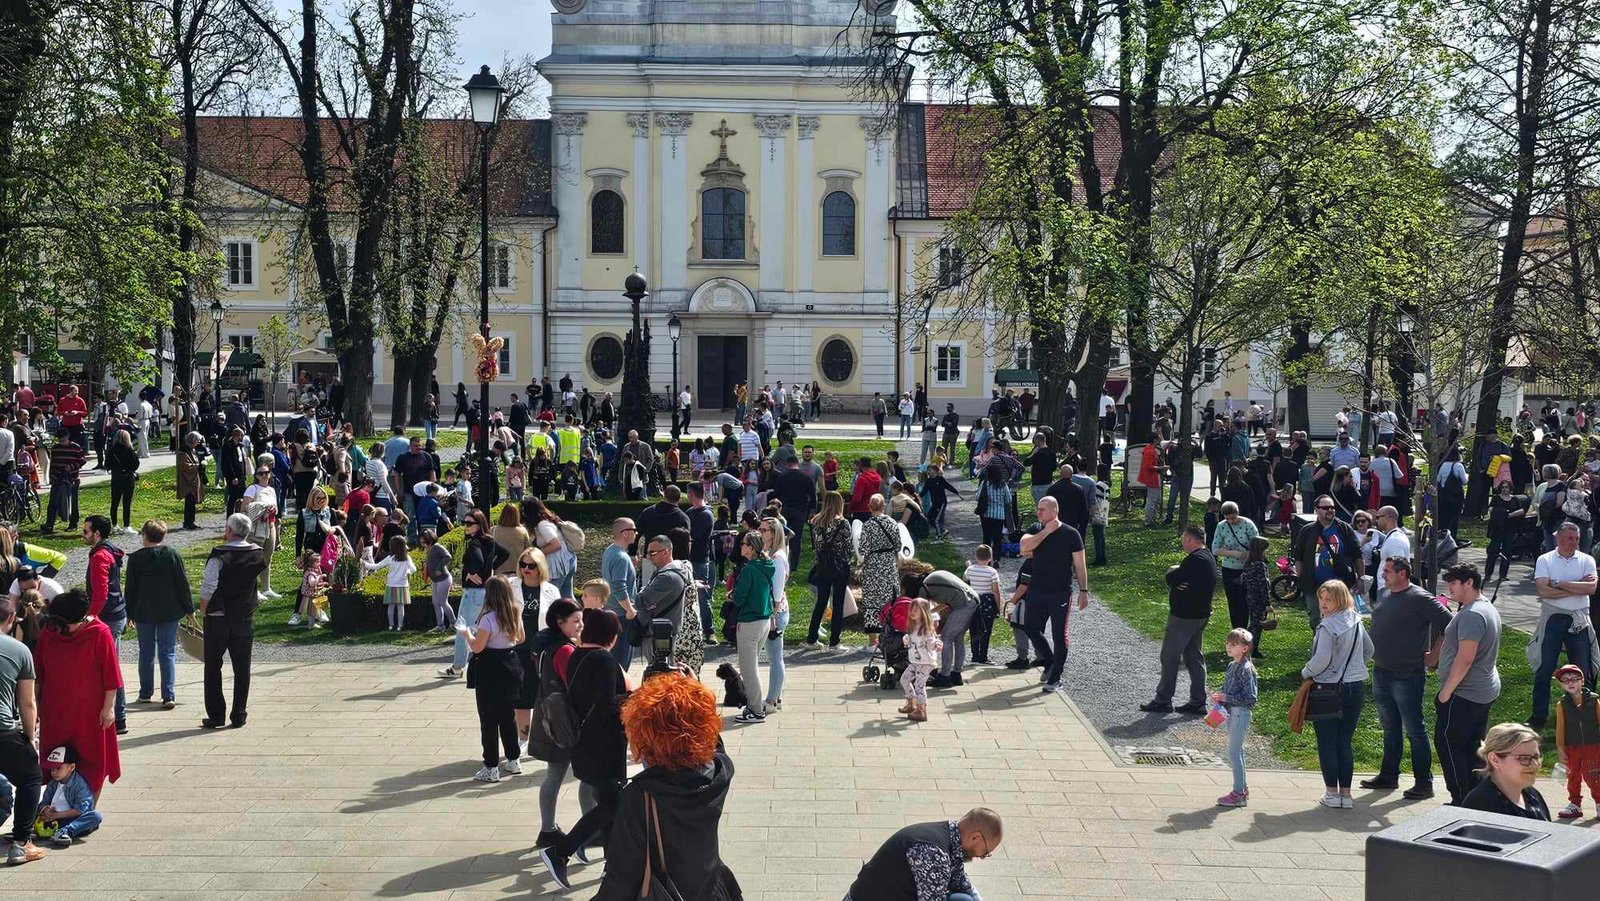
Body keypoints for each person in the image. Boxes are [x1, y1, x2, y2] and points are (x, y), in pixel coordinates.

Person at [589, 673, 741, 899]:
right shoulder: (720, 772)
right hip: (712, 889)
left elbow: (622, 878)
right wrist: (695, 693)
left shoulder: (641, 795)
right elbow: (715, 744)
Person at [538, 608, 630, 890]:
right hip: (603, 746)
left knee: (609, 806)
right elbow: (605, 705)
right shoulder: (603, 659)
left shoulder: (577, 654)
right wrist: (635, 699)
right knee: (613, 805)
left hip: (583, 744)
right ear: (610, 636)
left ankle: (611, 866)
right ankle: (562, 850)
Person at [1360, 556, 1452, 801]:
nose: (1383, 575)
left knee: (1414, 729)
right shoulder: (1385, 594)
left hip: (1407, 674)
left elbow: (1450, 624)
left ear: (1402, 573)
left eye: (1387, 571)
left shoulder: (1420, 598)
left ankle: (1424, 782)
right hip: (1381, 670)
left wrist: (1434, 655)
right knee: (1390, 728)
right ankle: (1389, 775)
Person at [33, 589, 120, 803]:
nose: (60, 630)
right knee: (55, 761)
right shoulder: (50, 633)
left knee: (91, 762)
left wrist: (108, 708)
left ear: (79, 619)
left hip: (89, 714)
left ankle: (86, 810)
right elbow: (37, 674)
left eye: (65, 625)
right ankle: (54, 808)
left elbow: (111, 676)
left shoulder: (99, 633)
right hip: (55, 711)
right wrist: (35, 707)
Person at [1434, 562, 1503, 805]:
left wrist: (1445, 693)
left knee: (1448, 743)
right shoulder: (1484, 608)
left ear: (1469, 583)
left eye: (1453, 583)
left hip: (1465, 694)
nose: (1449, 589)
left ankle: (1461, 799)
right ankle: (1476, 799)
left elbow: (1465, 658)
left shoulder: (1473, 614)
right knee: (1473, 748)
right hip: (1481, 690)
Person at [1301, 580, 1372, 809]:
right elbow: (1369, 650)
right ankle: (1346, 795)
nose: (1323, 604)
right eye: (1321, 598)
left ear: (1339, 599)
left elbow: (1322, 659)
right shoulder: (1356, 620)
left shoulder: (1328, 625)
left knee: (1327, 742)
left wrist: (1306, 672)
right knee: (1344, 741)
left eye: (1329, 599)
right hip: (1355, 687)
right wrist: (1354, 668)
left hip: (1329, 689)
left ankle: (1332, 793)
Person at [197, 513, 268, 730]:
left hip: (218, 616)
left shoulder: (219, 555)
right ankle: (239, 714)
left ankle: (216, 715)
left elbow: (209, 586)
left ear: (229, 530)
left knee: (213, 666)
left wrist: (203, 609)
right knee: (242, 667)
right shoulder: (257, 554)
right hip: (244, 616)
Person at [1529, 521, 1600, 730]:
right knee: (1544, 668)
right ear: (1558, 538)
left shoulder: (1586, 559)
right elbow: (1543, 591)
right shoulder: (1545, 560)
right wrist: (1577, 587)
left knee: (1583, 670)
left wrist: (1558, 583)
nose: (1574, 542)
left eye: (1577, 538)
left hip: (1579, 620)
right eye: (1570, 538)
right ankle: (1538, 716)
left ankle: (1584, 716)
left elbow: (1591, 589)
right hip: (1553, 618)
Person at [845, 808, 1002, 901]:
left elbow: (960, 882)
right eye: (985, 853)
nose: (981, 857)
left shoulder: (948, 838)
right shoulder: (934, 854)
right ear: (975, 837)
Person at [1140, 526, 1216, 715]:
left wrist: (1174, 575)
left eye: (1183, 539)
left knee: (1169, 656)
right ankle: (1198, 701)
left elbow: (1172, 578)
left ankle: (1163, 699)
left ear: (1190, 539)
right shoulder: (1208, 557)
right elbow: (1180, 579)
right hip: (1200, 615)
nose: (1182, 543)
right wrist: (1178, 578)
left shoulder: (1195, 560)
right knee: (1193, 656)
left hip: (1185, 617)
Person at [457, 575, 524, 783]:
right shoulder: (514, 612)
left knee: (488, 719)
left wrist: (467, 634)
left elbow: (478, 647)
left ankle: (491, 766)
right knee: (508, 716)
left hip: (490, 668)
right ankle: (513, 759)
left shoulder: (488, 618)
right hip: (510, 665)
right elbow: (521, 638)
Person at [1018, 496, 1088, 693]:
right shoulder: (1035, 528)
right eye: (1038, 508)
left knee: (1059, 635)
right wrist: (1045, 532)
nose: (1038, 512)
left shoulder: (1071, 533)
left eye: (1042, 509)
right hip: (1036, 590)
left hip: (1060, 592)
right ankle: (1049, 661)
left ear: (1054, 510)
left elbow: (1080, 564)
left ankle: (1056, 677)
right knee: (1030, 628)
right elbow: (1023, 548)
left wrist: (1083, 590)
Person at [124, 521, 193, 709]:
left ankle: (145, 693)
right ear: (164, 536)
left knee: (145, 652)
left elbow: (130, 588)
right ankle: (168, 695)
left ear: (145, 536)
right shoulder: (172, 554)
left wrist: (129, 613)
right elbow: (182, 583)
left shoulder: (136, 558)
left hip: (143, 610)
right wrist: (189, 609)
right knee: (167, 651)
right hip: (169, 610)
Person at [0, 593, 46, 864]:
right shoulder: (19, 650)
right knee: (30, 778)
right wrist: (30, 737)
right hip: (4, 730)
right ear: (10, 619)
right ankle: (20, 844)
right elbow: (27, 702)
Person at [1291, 495, 1362, 628]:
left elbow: (1357, 555)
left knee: (1341, 619)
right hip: (1313, 585)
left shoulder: (1344, 529)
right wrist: (1302, 578)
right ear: (1316, 510)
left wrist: (1361, 578)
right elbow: (1298, 557)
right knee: (1315, 620)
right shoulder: (1307, 531)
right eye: (1325, 508)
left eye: (1332, 507)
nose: (1330, 510)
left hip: (1340, 585)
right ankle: (1319, 640)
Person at [1460, 723, 1550, 820]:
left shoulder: (1532, 795)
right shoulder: (1481, 807)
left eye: (1536, 757)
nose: (1535, 764)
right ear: (1494, 760)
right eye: (1524, 758)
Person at [729, 531, 774, 724]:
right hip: (764, 620)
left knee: (749, 670)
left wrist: (731, 595)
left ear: (751, 548)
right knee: (751, 666)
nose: (740, 545)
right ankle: (753, 706)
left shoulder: (749, 570)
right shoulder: (767, 565)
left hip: (749, 622)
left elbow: (739, 599)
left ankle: (756, 710)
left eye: (743, 543)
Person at [1213, 628, 1259, 808]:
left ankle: (1239, 793)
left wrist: (1227, 698)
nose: (1228, 647)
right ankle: (1242, 789)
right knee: (1237, 752)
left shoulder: (1246, 669)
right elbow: (1228, 689)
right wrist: (1221, 697)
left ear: (1245, 648)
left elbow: (1250, 698)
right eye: (1227, 643)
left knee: (1234, 753)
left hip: (1240, 713)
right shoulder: (1232, 665)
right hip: (1232, 712)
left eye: (1233, 644)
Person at [804, 491, 854, 650]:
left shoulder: (816, 521)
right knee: (837, 604)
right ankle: (834, 642)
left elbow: (816, 546)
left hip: (823, 566)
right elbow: (849, 547)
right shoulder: (843, 523)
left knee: (821, 602)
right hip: (839, 566)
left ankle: (811, 639)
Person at [1551, 663, 1600, 818]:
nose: (1570, 683)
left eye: (1574, 679)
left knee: (1593, 775)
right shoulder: (1562, 704)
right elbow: (1560, 728)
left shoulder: (1594, 701)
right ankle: (1575, 804)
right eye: (1565, 680)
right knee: (1573, 775)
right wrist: (1560, 749)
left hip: (1593, 746)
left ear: (1582, 681)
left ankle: (1599, 802)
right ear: (1561, 685)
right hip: (1571, 747)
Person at [34, 743, 101, 847]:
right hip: (51, 819)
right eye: (52, 769)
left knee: (96, 816)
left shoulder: (79, 784)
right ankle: (28, 830)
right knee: (30, 807)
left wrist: (56, 815)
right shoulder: (53, 783)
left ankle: (64, 832)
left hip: (69, 819)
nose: (54, 772)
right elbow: (44, 801)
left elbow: (80, 810)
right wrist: (45, 810)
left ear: (72, 767)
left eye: (58, 768)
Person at [1211, 501, 1259, 632]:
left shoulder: (1248, 524)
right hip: (1229, 568)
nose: (1231, 521)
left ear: (1238, 513)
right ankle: (1236, 630)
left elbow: (1258, 545)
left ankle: (1244, 629)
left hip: (1247, 568)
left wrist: (1248, 554)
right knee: (1233, 601)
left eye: (1233, 518)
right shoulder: (1221, 526)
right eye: (1227, 519)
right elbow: (1215, 549)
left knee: (1245, 600)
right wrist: (1234, 553)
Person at [758, 517, 790, 713]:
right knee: (775, 657)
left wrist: (772, 618)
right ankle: (776, 697)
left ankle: (771, 701)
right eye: (760, 529)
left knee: (775, 659)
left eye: (764, 530)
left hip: (775, 613)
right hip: (775, 611)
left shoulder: (777, 557)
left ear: (773, 533)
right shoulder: (772, 554)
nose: (760, 533)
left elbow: (777, 593)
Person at [857, 495, 902, 633]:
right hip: (888, 566)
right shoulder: (892, 523)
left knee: (872, 601)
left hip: (873, 568)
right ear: (884, 506)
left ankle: (872, 640)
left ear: (869, 507)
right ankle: (890, 634)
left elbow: (863, 549)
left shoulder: (867, 525)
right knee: (890, 600)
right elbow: (898, 546)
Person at [899, 598, 941, 723]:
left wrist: (936, 645)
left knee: (919, 684)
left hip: (926, 662)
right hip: (916, 662)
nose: (912, 612)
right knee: (904, 679)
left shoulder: (926, 629)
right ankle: (911, 702)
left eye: (915, 610)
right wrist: (906, 639)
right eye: (911, 609)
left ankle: (921, 710)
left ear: (923, 612)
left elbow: (931, 642)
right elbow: (910, 639)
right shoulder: (912, 627)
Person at [364, 536, 416, 632]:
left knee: (391, 606)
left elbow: (376, 566)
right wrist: (407, 572)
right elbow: (414, 569)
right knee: (400, 606)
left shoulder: (390, 558)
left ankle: (391, 625)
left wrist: (365, 564)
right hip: (402, 585)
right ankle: (400, 626)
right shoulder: (407, 558)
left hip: (391, 584)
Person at [964, 545, 1001, 666]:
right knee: (986, 630)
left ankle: (974, 656)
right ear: (990, 558)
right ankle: (983, 656)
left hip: (973, 602)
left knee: (974, 629)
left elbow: (965, 585)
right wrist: (999, 606)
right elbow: (996, 591)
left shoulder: (969, 570)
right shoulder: (992, 572)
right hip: (987, 602)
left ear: (975, 556)